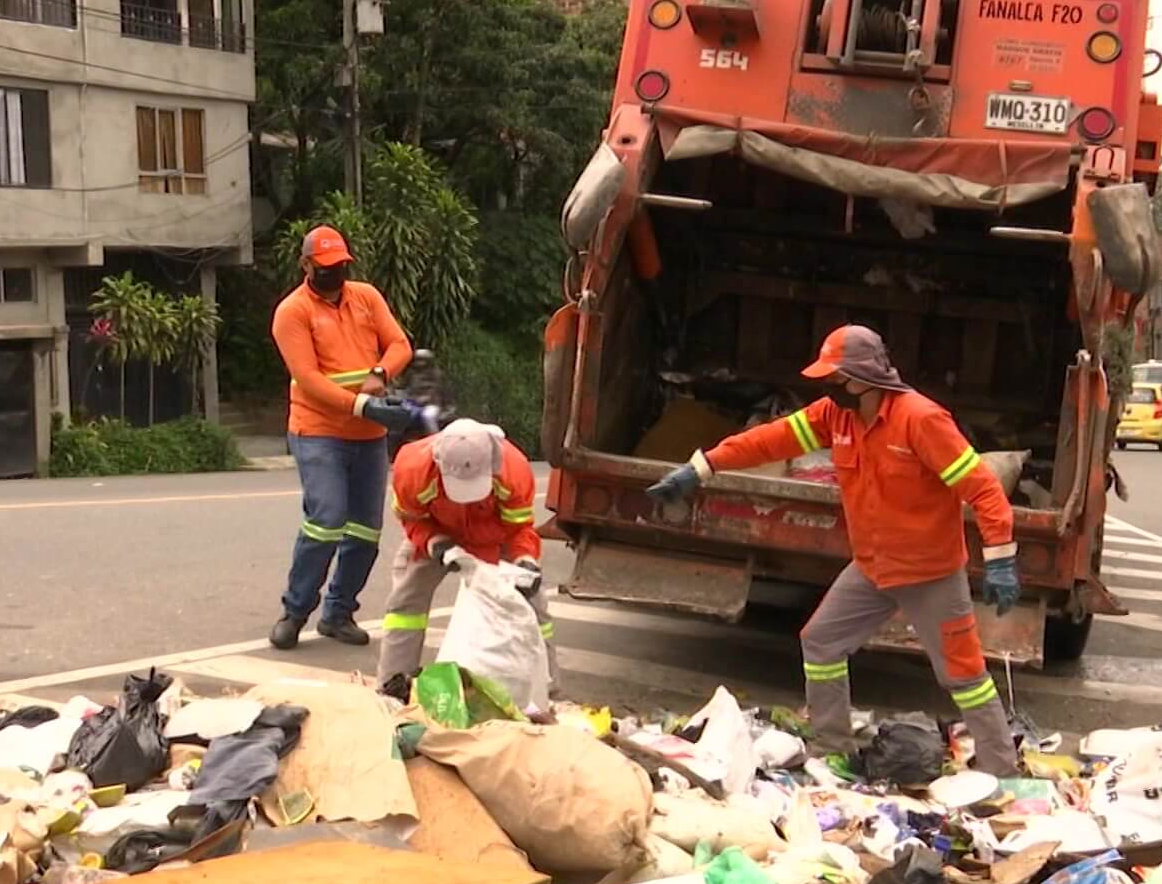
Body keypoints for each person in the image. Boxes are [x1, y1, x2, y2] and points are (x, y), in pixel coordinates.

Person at [647, 325, 1021, 775]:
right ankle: (832, 748)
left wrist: (1000, 559)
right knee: (820, 642)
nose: (829, 387)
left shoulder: (921, 420)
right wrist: (702, 467)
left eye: (836, 377)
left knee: (963, 676)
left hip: (930, 572)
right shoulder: (835, 415)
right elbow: (772, 439)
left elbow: (983, 488)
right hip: (872, 566)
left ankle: (1002, 771)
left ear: (864, 376)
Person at [268, 226, 418, 650]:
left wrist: (379, 374)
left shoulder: (365, 297)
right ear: (307, 266)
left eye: (341, 266)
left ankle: (338, 613)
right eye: (326, 267)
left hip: (368, 436)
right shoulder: (292, 312)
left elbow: (399, 344)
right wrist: (361, 406)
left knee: (366, 530)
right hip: (319, 432)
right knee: (326, 521)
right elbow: (308, 378)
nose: (335, 273)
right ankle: (295, 611)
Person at [376, 418, 558, 692]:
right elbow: (412, 519)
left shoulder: (514, 469)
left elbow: (519, 528)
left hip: (496, 538)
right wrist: (437, 545)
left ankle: (546, 690)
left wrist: (525, 561)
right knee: (405, 602)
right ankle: (393, 684)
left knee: (533, 604)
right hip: (439, 533)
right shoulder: (413, 468)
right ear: (439, 462)